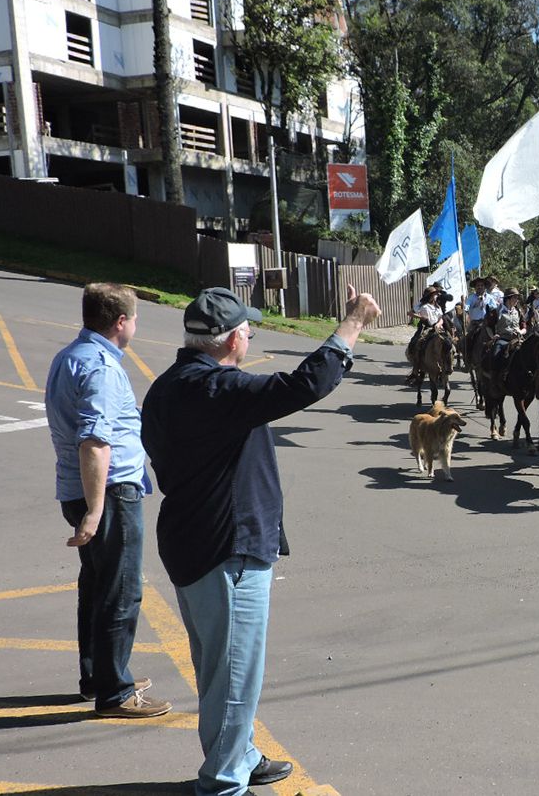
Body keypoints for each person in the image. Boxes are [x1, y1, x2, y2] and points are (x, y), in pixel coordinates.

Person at [141, 285, 380, 795]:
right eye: (246, 327)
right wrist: (352, 325)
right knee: (234, 679)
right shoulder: (219, 391)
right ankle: (225, 783)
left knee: (218, 667)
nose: (251, 332)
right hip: (228, 549)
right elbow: (304, 384)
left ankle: (241, 757)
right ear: (229, 340)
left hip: (192, 541)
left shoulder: (169, 386)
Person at [45, 283, 171, 718]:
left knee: (97, 585)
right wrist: (97, 512)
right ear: (120, 322)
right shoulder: (101, 368)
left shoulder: (69, 357)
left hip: (77, 488)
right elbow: (95, 442)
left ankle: (95, 676)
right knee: (121, 591)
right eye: (135, 317)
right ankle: (115, 692)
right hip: (109, 493)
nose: (137, 324)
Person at [487, 287, 524, 376]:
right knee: (495, 354)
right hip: (503, 339)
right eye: (515, 298)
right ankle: (494, 378)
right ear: (508, 299)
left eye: (517, 298)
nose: (517, 300)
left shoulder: (518, 311)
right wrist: (493, 336)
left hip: (518, 339)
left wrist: (520, 331)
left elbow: (524, 327)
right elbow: (488, 326)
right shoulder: (497, 311)